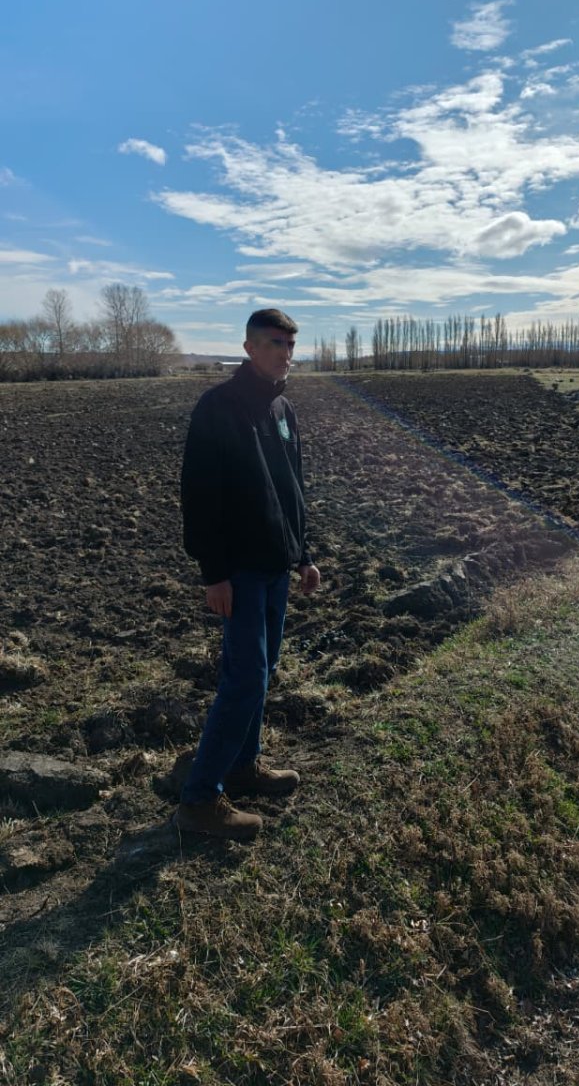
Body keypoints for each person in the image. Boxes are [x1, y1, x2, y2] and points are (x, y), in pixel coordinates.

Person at [174, 308, 320, 840]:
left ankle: (243, 765)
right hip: (238, 572)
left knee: (264, 669)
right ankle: (199, 799)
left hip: (276, 567)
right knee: (245, 680)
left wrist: (302, 554)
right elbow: (198, 495)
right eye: (276, 343)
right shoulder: (218, 407)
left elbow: (291, 487)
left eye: (291, 344)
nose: (286, 353)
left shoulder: (283, 408)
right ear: (250, 348)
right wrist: (213, 574)